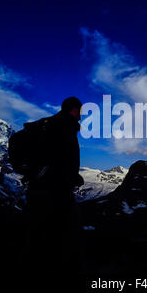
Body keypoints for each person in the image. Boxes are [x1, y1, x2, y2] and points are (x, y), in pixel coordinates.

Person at [24, 96, 84, 272]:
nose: (81, 115)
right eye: (79, 110)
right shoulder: (64, 126)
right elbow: (62, 158)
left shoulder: (49, 125)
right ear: (73, 109)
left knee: (38, 233)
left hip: (38, 188)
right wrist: (71, 177)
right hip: (55, 191)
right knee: (64, 235)